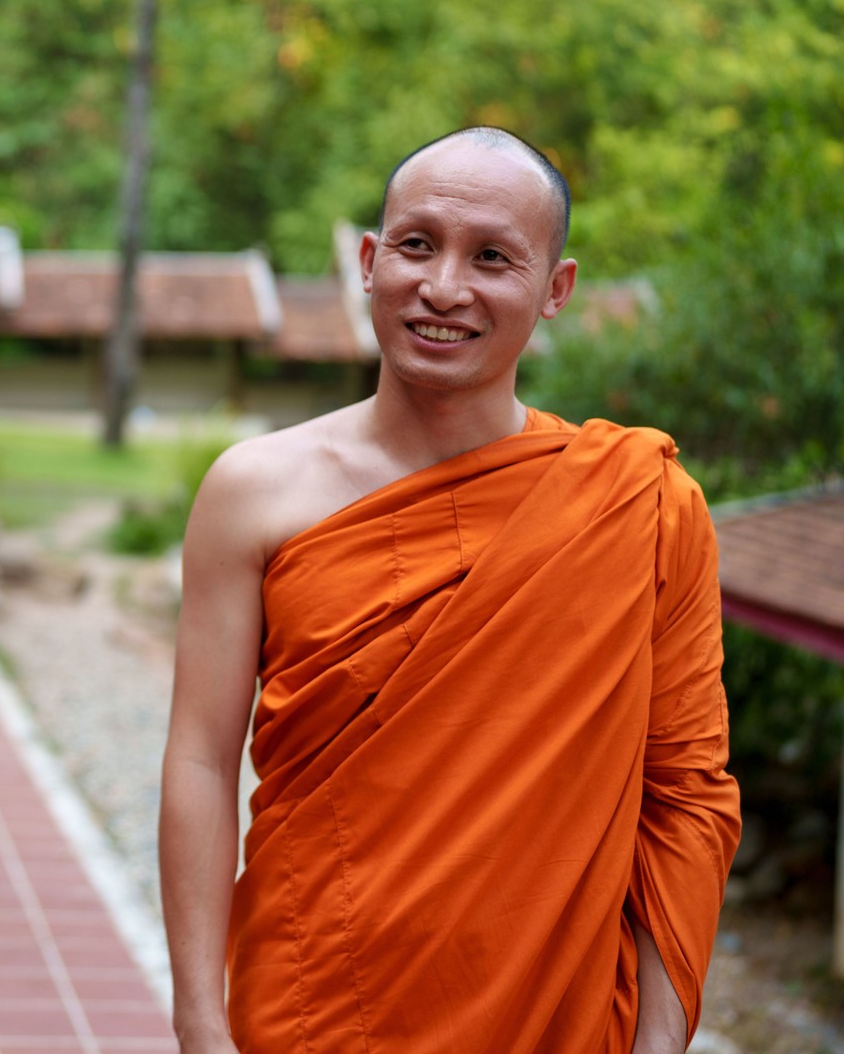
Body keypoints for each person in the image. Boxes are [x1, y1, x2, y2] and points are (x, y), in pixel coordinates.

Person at [159, 128, 740, 1053]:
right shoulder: (254, 492)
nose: (443, 288)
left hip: (557, 1015)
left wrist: (660, 1041)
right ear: (367, 259)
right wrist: (198, 1020)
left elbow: (686, 795)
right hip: (312, 1000)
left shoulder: (640, 505)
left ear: (557, 290)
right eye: (416, 244)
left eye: (494, 258)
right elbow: (198, 759)